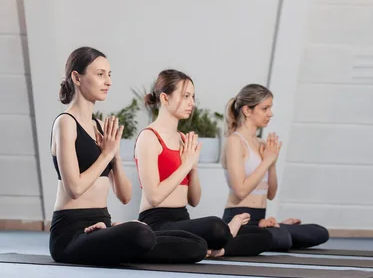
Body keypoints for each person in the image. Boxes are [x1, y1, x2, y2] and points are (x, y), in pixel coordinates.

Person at [50, 47, 207, 266]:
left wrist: (114, 156)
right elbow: (74, 188)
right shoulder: (65, 123)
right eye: (100, 74)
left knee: (195, 244)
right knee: (140, 233)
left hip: (102, 225)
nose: (108, 81)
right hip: (71, 234)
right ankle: (124, 242)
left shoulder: (101, 127)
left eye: (109, 74)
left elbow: (124, 196)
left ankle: (118, 243)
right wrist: (106, 153)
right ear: (77, 77)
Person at [134, 69, 273, 257]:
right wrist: (186, 163)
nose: (192, 102)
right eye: (185, 96)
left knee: (264, 236)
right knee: (215, 227)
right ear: (165, 99)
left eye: (192, 96)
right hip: (157, 222)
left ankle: (217, 249)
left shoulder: (183, 139)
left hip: (182, 218)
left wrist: (193, 168)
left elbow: (194, 200)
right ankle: (219, 238)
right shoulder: (149, 137)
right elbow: (154, 197)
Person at [221, 84, 329, 252]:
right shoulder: (235, 141)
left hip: (261, 219)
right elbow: (240, 191)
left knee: (319, 232)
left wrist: (272, 164)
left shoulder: (262, 143)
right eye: (265, 108)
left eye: (270, 108)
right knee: (283, 238)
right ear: (247, 110)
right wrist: (267, 160)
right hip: (239, 219)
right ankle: (272, 230)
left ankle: (274, 227)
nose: (270, 113)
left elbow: (270, 194)